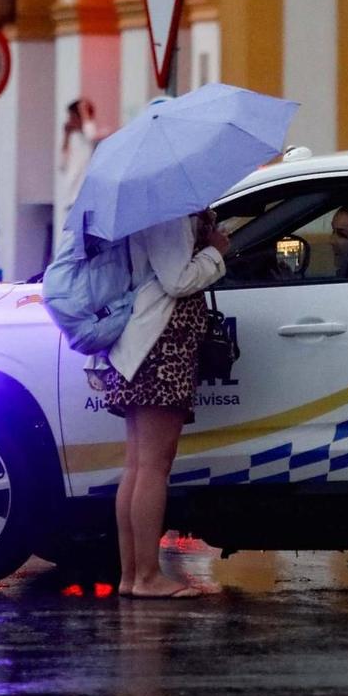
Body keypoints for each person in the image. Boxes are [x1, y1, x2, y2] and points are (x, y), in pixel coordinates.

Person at [101, 207, 230, 598]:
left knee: (139, 465)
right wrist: (215, 252)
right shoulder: (168, 213)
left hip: (144, 342)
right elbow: (178, 280)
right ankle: (147, 577)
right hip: (161, 346)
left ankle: (132, 575)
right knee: (153, 467)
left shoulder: (150, 210)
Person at [55, 99, 101, 234]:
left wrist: (83, 111)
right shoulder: (73, 138)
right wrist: (66, 136)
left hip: (83, 196)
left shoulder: (89, 139)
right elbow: (62, 165)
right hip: (70, 196)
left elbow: (91, 135)